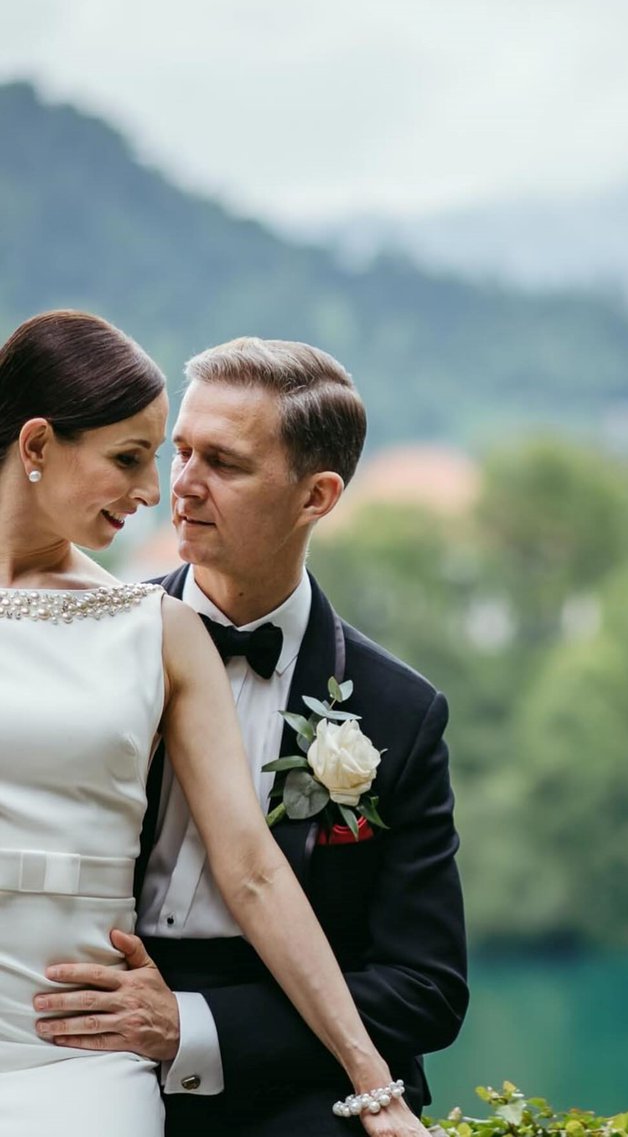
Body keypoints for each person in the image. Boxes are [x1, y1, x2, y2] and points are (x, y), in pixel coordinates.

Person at [0, 309, 440, 1137]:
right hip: (100, 1004)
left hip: (211, 1049)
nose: (169, 488)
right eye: (169, 454)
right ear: (34, 448)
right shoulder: (155, 618)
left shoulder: (395, 712)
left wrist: (372, 1088)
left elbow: (411, 973)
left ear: (318, 496)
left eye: (223, 462)